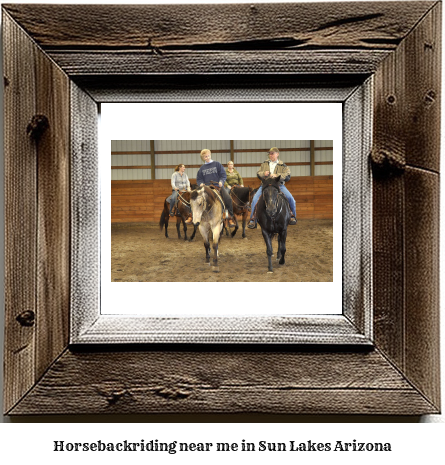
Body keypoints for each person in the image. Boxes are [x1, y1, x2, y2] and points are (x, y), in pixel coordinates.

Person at [248, 147, 297, 228]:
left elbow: (288, 175)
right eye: (270, 154)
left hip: (278, 185)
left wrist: (277, 175)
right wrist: (264, 173)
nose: (271, 155)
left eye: (272, 153)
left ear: (277, 154)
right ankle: (253, 219)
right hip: (265, 185)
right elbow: (258, 173)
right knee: (255, 200)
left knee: (291, 199)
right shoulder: (264, 164)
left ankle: (292, 216)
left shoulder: (283, 165)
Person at [196, 149, 236, 227]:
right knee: (196, 199)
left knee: (228, 199)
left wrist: (221, 181)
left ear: (210, 155)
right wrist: (200, 183)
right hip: (206, 188)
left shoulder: (217, 164)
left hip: (217, 187)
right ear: (203, 158)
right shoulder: (202, 168)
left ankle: (230, 217)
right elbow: (199, 179)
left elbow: (223, 175)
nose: (207, 158)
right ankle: (194, 216)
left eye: (208, 156)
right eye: (205, 157)